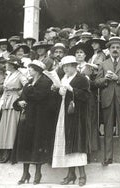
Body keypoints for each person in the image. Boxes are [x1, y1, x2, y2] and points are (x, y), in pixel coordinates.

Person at [12, 60, 54, 185]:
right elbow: (21, 98)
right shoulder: (29, 83)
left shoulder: (46, 82)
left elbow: (39, 97)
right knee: (26, 144)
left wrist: (28, 91)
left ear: (37, 70)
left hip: (39, 119)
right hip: (27, 118)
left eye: (30, 69)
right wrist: (19, 103)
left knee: (37, 144)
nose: (28, 71)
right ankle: (25, 173)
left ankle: (38, 172)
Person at [95, 37, 120, 166]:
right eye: (113, 48)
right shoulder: (103, 63)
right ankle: (108, 157)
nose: (115, 50)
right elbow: (96, 81)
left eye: (118, 48)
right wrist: (105, 79)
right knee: (108, 129)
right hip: (107, 99)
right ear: (109, 49)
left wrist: (118, 78)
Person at [52, 56, 90, 186]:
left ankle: (82, 175)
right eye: (64, 67)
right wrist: (58, 90)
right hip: (65, 113)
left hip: (77, 116)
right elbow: (62, 97)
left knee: (77, 143)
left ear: (74, 66)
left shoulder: (82, 79)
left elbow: (86, 96)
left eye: (68, 66)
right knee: (67, 143)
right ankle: (71, 174)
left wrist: (71, 89)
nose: (66, 69)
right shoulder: (64, 78)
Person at [0, 55, 28, 163]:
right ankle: (6, 150)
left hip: (14, 102)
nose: (5, 65)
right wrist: (1, 101)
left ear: (13, 65)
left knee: (12, 126)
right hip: (7, 101)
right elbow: (5, 90)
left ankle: (12, 152)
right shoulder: (9, 74)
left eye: (7, 64)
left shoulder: (20, 75)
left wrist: (19, 93)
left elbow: (27, 86)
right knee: (5, 127)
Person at [70, 42, 100, 153]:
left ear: (85, 55)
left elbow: (97, 83)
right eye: (77, 53)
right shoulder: (71, 67)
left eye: (81, 53)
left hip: (88, 98)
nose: (79, 55)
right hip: (75, 97)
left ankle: (89, 148)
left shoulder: (91, 68)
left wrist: (88, 80)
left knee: (88, 121)